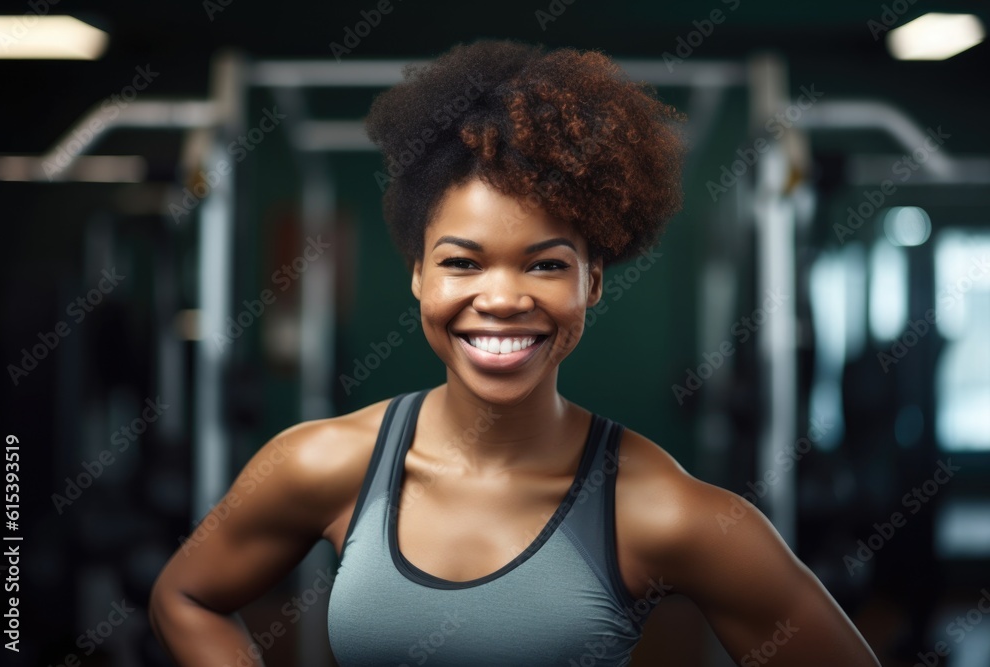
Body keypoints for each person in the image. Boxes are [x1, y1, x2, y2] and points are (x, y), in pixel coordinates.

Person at [149, 39, 881, 666]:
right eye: (462, 262)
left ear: (592, 281)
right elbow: (186, 596)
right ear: (418, 275)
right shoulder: (322, 463)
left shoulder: (666, 511)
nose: (501, 298)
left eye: (545, 264)